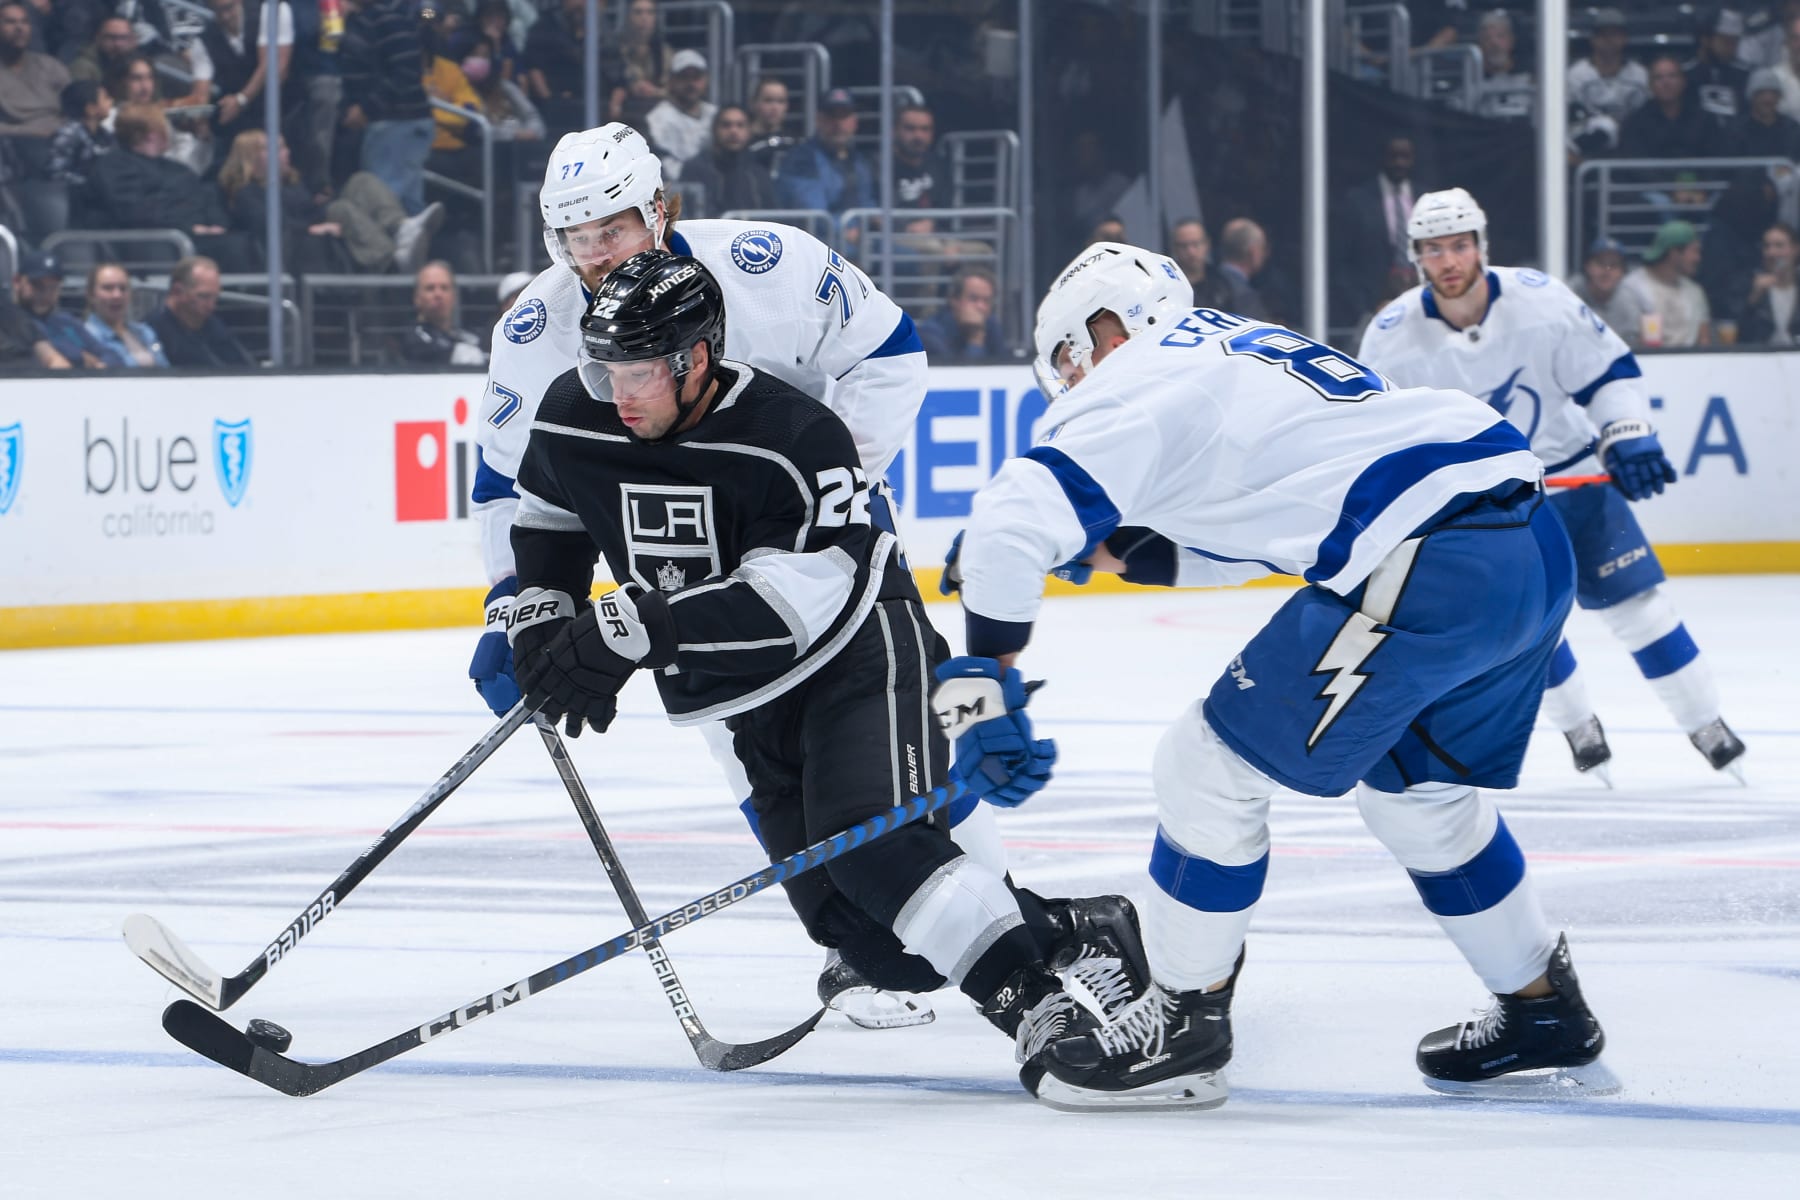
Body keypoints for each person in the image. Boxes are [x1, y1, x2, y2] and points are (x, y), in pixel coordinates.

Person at [935, 240, 1609, 1110]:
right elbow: (1254, 538)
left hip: (1428, 562)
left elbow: (1008, 517)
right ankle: (1542, 1007)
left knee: (1204, 768)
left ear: (1101, 330)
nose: (1070, 386)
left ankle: (1182, 1026)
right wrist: (1093, 552)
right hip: (1524, 545)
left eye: (1067, 362)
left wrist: (981, 684)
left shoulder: (1131, 373)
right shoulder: (1230, 349)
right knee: (1421, 801)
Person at [506, 248, 1147, 1103]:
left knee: (878, 850)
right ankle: (1076, 928)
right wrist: (542, 614)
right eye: (605, 369)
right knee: (873, 943)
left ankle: (1041, 1013)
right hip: (744, 698)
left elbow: (793, 602)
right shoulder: (573, 415)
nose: (617, 393)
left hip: (856, 654)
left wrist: (635, 630)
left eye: (638, 373)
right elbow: (548, 512)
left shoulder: (793, 436)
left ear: (695, 358)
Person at [470, 122, 998, 1030]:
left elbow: (891, 353)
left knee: (894, 735)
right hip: (676, 567)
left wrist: (825, 499)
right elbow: (507, 480)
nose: (593, 256)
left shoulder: (770, 264)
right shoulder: (534, 329)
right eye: (573, 238)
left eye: (611, 230)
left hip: (815, 551)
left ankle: (994, 915)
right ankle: (856, 943)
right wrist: (510, 603)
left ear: (659, 210)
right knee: (742, 742)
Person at [1359, 189, 1745, 781]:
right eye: (1434, 249)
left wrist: (1627, 431)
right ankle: (1578, 727)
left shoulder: (1540, 301)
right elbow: (1382, 435)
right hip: (1489, 507)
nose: (1449, 261)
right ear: (1416, 256)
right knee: (1527, 630)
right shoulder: (1390, 337)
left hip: (1575, 481)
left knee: (1640, 609)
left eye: (1460, 245)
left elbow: (1608, 373)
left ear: (1481, 246)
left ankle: (1706, 723)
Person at [218, 128, 441, 273]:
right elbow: (272, 226)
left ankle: (402, 228)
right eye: (277, 148)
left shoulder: (292, 184)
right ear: (252, 157)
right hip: (300, 244)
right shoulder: (248, 194)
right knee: (341, 209)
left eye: (284, 146)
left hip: (320, 221)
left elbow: (307, 208)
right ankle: (393, 262)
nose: (286, 152)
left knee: (361, 182)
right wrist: (310, 229)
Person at [87, 103, 254, 271]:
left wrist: (216, 224)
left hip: (199, 235)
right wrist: (189, 228)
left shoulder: (178, 169)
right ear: (152, 134)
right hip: (157, 240)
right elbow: (135, 211)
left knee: (245, 242)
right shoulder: (114, 166)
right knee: (233, 249)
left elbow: (204, 197)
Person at [339, 0, 434, 215]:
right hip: (386, 122)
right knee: (407, 206)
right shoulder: (357, 19)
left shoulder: (398, 13)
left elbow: (405, 71)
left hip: (397, 120)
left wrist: (366, 108)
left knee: (387, 204)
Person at [1334, 135, 1425, 326]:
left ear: (1413, 159)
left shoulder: (1424, 199)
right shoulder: (1358, 201)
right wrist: (1363, 306)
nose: (1399, 163)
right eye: (1394, 156)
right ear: (1383, 157)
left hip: (1421, 301)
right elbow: (1341, 261)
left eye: (1405, 156)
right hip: (1372, 307)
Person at [187, 0, 294, 150]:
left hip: (282, 110)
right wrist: (200, 119)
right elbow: (201, 90)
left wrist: (241, 99)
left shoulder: (268, 13)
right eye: (218, 11)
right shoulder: (204, 40)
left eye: (228, 8)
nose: (225, 16)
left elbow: (274, 66)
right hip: (237, 123)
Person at [774, 88, 874, 221]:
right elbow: (814, 214)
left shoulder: (859, 160)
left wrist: (880, 220)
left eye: (844, 116)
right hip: (815, 233)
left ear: (855, 122)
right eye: (832, 116)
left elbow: (866, 202)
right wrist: (846, 229)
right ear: (818, 120)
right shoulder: (802, 159)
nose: (838, 123)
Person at [1620, 219, 1714, 348]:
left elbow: (1704, 341)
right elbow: (1627, 342)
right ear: (1674, 253)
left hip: (1691, 359)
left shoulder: (1695, 292)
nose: (1698, 258)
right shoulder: (1632, 288)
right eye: (1694, 251)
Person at [147, 254, 252, 367]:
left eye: (215, 297)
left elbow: (244, 365)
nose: (211, 305)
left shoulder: (213, 325)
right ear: (177, 291)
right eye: (204, 296)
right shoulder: (151, 333)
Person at [13, 247, 108, 366]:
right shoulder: (10, 323)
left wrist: (101, 364)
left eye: (53, 287)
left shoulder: (66, 322)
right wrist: (81, 358)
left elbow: (107, 354)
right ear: (17, 281)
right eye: (38, 285)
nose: (46, 294)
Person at [1567, 7, 1649, 139]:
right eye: (1603, 34)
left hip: (1630, 141)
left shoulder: (1639, 74)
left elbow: (1645, 117)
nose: (1609, 40)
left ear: (1625, 38)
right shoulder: (1576, 75)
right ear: (1593, 39)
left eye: (1615, 34)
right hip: (1587, 140)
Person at [677, 104, 772, 215]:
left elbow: (772, 215)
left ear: (749, 131)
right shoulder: (695, 169)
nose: (733, 131)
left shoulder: (758, 173)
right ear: (714, 130)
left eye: (740, 125)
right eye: (726, 125)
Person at [1618, 55, 1716, 159]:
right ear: (1650, 85)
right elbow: (1635, 161)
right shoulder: (1635, 123)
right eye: (1658, 77)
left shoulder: (1705, 120)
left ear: (1683, 82)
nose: (1666, 83)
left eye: (1672, 76)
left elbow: (1715, 159)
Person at [643, 47, 713, 180]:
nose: (691, 84)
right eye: (684, 77)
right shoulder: (658, 118)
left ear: (705, 80)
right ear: (671, 80)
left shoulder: (714, 114)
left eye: (696, 77)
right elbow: (665, 163)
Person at [82, 260, 166, 366]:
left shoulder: (145, 332)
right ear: (91, 295)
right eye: (108, 288)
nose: (117, 295)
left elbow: (165, 368)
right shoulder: (86, 337)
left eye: (123, 288)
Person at [402, 258, 485, 365]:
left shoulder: (467, 336)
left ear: (454, 296)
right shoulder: (413, 339)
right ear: (417, 298)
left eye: (444, 288)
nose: (438, 294)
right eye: (430, 288)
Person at [918, 265, 1004, 360]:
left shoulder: (991, 325)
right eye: (973, 299)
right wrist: (975, 338)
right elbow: (955, 369)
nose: (981, 307)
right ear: (954, 300)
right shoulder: (930, 335)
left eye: (986, 300)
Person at [1567, 235, 1648, 336]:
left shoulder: (1629, 297)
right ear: (1587, 267)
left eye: (1613, 265)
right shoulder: (1571, 293)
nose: (1606, 271)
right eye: (1601, 264)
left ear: (1622, 272)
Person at [1685, 7, 1751, 123]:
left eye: (1735, 42)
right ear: (1706, 40)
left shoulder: (1746, 76)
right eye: (1726, 41)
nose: (1731, 48)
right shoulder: (1686, 76)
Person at [1740, 220, 1800, 343]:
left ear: (1795, 249)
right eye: (1767, 246)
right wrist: (1753, 299)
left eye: (1779, 245)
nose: (1771, 253)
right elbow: (1739, 336)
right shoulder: (1747, 284)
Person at [1724, 66, 1800, 156]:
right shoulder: (1736, 131)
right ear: (1752, 97)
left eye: (1773, 93)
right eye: (1761, 93)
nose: (1768, 98)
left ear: (1779, 97)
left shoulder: (1792, 130)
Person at [1472, 9, 1533, 120]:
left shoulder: (1531, 81)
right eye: (1487, 38)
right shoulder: (1471, 86)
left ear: (1511, 40)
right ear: (1480, 45)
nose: (1494, 43)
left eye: (1500, 36)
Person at [892, 102, 949, 210]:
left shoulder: (940, 167)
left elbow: (948, 208)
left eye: (925, 129)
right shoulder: (879, 168)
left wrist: (933, 219)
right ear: (894, 131)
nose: (918, 136)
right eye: (910, 128)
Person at [1168, 217, 1232, 310]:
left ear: (1207, 244)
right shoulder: (1168, 284)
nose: (1191, 252)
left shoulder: (1223, 284)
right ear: (1174, 248)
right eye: (1183, 246)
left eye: (1196, 244)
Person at [1216, 216, 1271, 320]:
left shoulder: (1207, 282)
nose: (1265, 254)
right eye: (1263, 248)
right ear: (1253, 252)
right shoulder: (1245, 297)